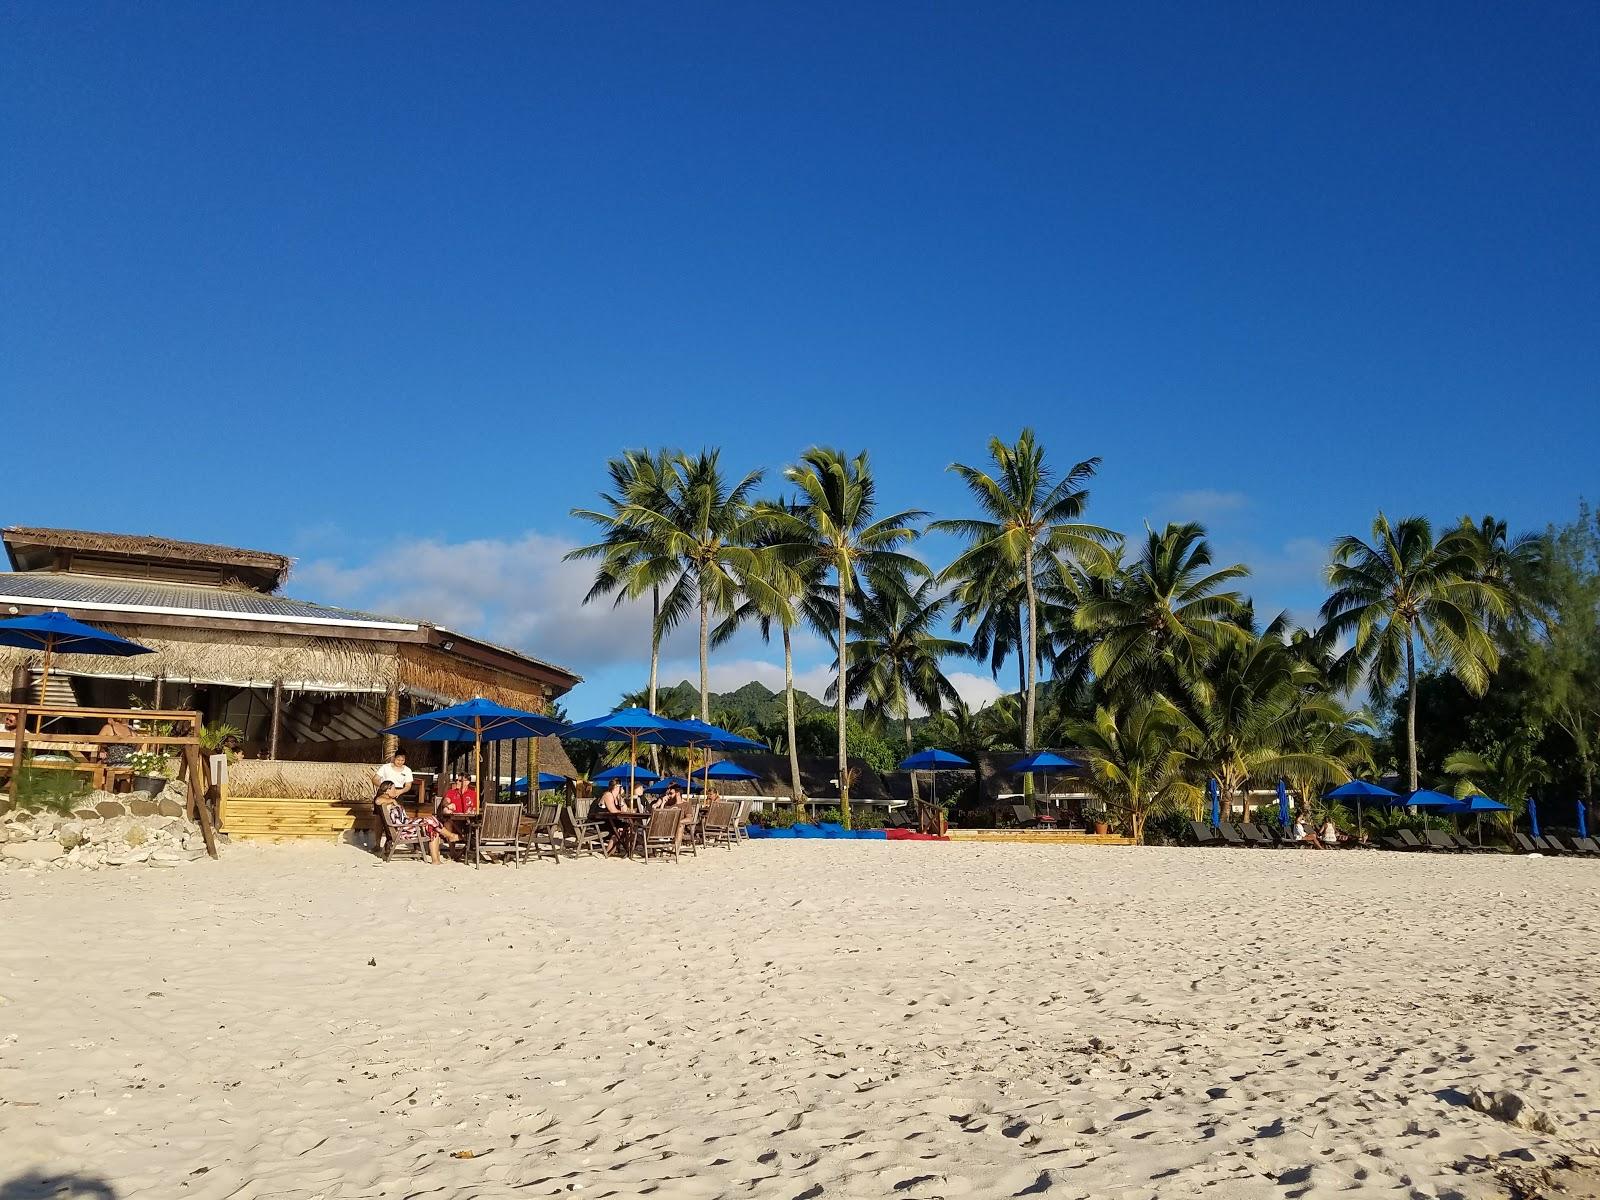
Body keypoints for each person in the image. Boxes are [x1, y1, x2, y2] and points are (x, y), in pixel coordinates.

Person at [373, 781, 458, 864]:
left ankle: (436, 860)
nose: (395, 791)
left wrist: (392, 800)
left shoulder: (388, 799)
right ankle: (450, 836)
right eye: (394, 789)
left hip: (406, 826)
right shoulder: (384, 799)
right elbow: (377, 801)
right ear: (387, 790)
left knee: (432, 827)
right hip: (403, 830)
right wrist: (392, 801)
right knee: (431, 820)